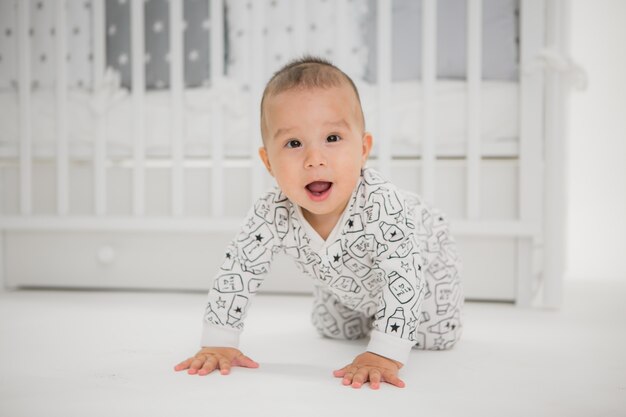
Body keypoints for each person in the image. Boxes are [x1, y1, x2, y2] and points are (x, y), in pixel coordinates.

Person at [174, 56, 463, 389]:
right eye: (294, 144)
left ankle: (388, 325)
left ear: (363, 148)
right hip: (352, 282)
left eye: (333, 138)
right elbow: (238, 269)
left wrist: (385, 353)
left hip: (423, 265)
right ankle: (374, 317)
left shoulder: (383, 204)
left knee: (433, 336)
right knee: (333, 329)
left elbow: (405, 275)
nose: (315, 159)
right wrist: (219, 339)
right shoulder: (272, 212)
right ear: (268, 161)